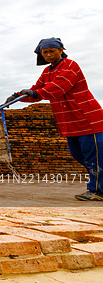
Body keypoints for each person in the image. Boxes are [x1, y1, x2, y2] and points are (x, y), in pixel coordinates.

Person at [6, 37, 103, 201]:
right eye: (45, 52)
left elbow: (58, 87)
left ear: (61, 50)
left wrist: (37, 93)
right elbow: (37, 90)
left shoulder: (71, 66)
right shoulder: (47, 72)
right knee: (78, 154)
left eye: (52, 51)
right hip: (69, 122)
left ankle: (97, 190)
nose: (49, 55)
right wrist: (18, 96)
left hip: (88, 119)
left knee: (95, 156)